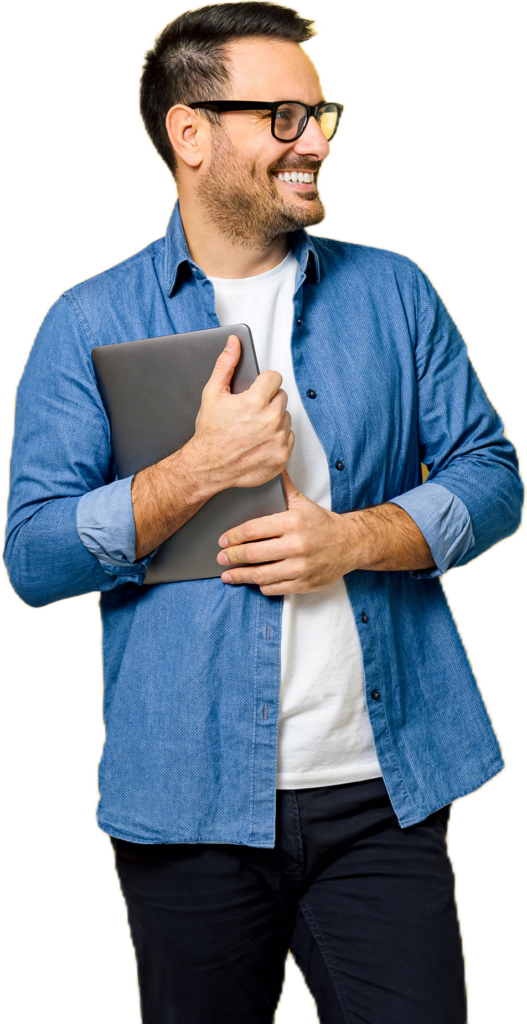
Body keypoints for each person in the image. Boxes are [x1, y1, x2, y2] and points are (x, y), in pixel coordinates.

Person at [3, 3, 523, 1022]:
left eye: (318, 111)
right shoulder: (87, 320)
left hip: (385, 794)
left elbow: (490, 472)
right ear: (189, 134)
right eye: (281, 115)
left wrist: (352, 539)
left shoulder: (395, 293)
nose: (315, 139)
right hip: (188, 809)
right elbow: (35, 556)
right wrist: (194, 471)